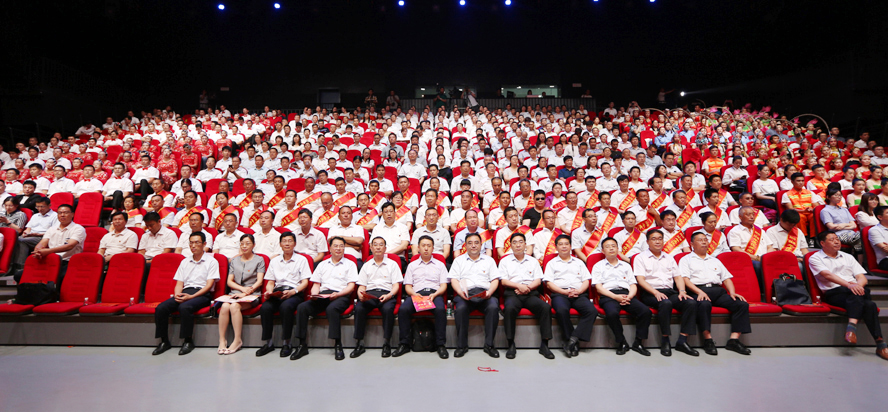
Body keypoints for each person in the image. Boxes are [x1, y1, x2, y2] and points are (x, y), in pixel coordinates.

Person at [809, 231, 888, 361]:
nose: (837, 241)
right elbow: (827, 275)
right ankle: (880, 344)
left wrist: (857, 286)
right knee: (868, 304)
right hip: (834, 292)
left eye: (837, 239)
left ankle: (854, 329)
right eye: (832, 239)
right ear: (822, 243)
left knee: (866, 301)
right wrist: (849, 285)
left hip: (853, 290)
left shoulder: (848, 257)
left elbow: (861, 277)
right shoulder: (815, 258)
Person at [680, 232, 752, 356]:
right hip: (697, 290)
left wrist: (732, 293)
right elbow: (685, 280)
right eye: (700, 240)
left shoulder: (715, 260)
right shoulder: (686, 260)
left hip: (717, 291)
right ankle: (708, 339)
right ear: (692, 244)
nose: (704, 242)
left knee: (741, 304)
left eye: (705, 239)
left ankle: (734, 340)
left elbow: (726, 279)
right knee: (704, 304)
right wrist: (700, 292)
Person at [152, 232, 219, 356]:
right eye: (191, 243)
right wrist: (177, 295)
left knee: (185, 307)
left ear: (204, 244)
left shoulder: (212, 261)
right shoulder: (184, 261)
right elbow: (179, 283)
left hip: (202, 294)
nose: (193, 245)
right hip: (185, 292)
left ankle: (187, 341)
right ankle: (164, 341)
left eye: (197, 242)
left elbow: (209, 285)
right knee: (161, 308)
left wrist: (192, 297)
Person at [634, 229, 699, 356]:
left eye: (660, 239)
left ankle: (682, 340)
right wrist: (655, 292)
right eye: (654, 239)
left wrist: (682, 291)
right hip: (650, 293)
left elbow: (678, 277)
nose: (657, 241)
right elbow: (640, 280)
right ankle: (665, 339)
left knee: (690, 303)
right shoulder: (640, 258)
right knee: (665, 303)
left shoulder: (669, 257)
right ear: (647, 242)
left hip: (669, 291)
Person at [292, 237, 357, 361]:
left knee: (332, 309)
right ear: (330, 248)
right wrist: (314, 295)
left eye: (341, 246)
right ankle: (302, 344)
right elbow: (316, 284)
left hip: (341, 295)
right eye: (335, 246)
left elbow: (351, 286)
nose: (338, 248)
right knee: (302, 307)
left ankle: (337, 344)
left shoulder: (350, 264)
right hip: (323, 295)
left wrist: (338, 294)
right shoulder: (322, 264)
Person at [592, 237, 653, 356]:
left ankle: (638, 342)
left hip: (626, 294)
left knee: (645, 311)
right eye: (607, 247)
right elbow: (599, 288)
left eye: (613, 246)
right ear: (603, 251)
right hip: (608, 295)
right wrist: (616, 297)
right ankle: (621, 342)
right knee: (612, 313)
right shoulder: (598, 266)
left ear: (618, 248)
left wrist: (629, 296)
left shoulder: (626, 266)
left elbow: (633, 285)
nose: (611, 248)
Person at [498, 232, 554, 359]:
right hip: (512, 293)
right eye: (514, 242)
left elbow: (538, 281)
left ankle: (545, 344)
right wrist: (519, 286)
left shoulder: (533, 261)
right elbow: (504, 281)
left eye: (520, 242)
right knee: (509, 309)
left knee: (545, 308)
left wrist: (526, 288)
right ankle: (510, 343)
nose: (518, 245)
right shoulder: (505, 261)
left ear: (525, 245)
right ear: (510, 245)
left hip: (530, 293)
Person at [392, 235, 450, 359]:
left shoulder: (440, 265)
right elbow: (408, 286)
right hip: (417, 294)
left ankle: (440, 344)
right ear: (418, 248)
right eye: (423, 245)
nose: (426, 248)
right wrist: (414, 294)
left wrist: (435, 294)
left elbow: (444, 286)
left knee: (440, 310)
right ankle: (404, 344)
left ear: (433, 248)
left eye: (429, 246)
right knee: (403, 309)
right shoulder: (412, 265)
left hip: (434, 295)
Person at [255, 233, 311, 358]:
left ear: (295, 243)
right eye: (284, 241)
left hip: (294, 293)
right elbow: (270, 282)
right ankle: (268, 343)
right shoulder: (274, 261)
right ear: (280, 244)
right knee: (265, 307)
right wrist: (269, 292)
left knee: (286, 307)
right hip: (278, 292)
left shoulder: (302, 260)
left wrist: (293, 291)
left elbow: (305, 282)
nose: (287, 244)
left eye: (290, 241)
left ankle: (287, 343)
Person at [448, 232, 501, 358]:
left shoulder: (489, 260)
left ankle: (489, 345)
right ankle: (462, 345)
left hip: (485, 294)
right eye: (470, 243)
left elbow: (495, 280)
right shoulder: (459, 260)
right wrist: (460, 292)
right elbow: (454, 280)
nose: (473, 246)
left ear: (481, 245)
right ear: (465, 245)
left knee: (493, 307)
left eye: (476, 243)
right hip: (465, 294)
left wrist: (489, 292)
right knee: (460, 309)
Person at [544, 234, 597, 358]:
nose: (564, 246)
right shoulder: (552, 263)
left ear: (570, 246)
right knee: (562, 310)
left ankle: (572, 340)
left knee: (592, 311)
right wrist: (564, 292)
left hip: (579, 294)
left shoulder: (579, 262)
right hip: (560, 294)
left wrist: (579, 291)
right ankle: (571, 341)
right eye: (561, 244)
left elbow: (586, 280)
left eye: (566, 244)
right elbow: (549, 283)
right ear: (556, 247)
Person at [351, 237, 402, 358]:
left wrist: (389, 295)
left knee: (388, 310)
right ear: (371, 248)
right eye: (375, 245)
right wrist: (361, 295)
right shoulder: (366, 265)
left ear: (385, 248)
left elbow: (396, 285)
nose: (378, 247)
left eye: (381, 245)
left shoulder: (392, 264)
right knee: (359, 308)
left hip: (387, 294)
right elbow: (361, 286)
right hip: (370, 295)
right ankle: (359, 343)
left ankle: (387, 343)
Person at [217, 234, 265, 355]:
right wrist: (242, 290)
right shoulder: (235, 260)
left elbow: (259, 281)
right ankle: (222, 340)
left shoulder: (259, 260)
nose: (244, 246)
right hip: (236, 292)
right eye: (242, 243)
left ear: (253, 245)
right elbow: (229, 281)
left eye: (247, 243)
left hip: (253, 294)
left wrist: (247, 292)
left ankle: (237, 340)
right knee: (224, 306)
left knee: (234, 306)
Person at [30, 204, 84, 285]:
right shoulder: (52, 229)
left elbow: (70, 246)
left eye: (65, 212)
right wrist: (38, 251)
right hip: (51, 260)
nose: (62, 215)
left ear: (72, 214)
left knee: (60, 276)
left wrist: (48, 251)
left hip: (68, 261)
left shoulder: (78, 228)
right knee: (20, 275)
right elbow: (42, 243)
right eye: (60, 213)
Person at [12, 197, 57, 277]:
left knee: (21, 241)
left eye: (42, 206)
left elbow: (54, 232)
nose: (39, 209)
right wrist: (26, 233)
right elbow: (29, 228)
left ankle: (20, 267)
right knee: (14, 240)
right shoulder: (35, 216)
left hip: (44, 238)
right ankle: (11, 265)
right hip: (31, 236)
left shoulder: (55, 216)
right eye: (37, 207)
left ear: (49, 205)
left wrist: (37, 234)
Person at [728, 206, 773, 279]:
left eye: (753, 214)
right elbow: (735, 249)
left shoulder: (760, 230)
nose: (752, 217)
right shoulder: (734, 231)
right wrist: (756, 258)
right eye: (748, 215)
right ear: (740, 217)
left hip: (764, 258)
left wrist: (766, 257)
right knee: (758, 265)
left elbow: (769, 247)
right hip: (749, 260)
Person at [820, 188, 862, 254]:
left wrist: (842, 225)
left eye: (840, 195)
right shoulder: (825, 211)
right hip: (838, 235)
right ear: (828, 197)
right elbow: (831, 226)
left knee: (865, 236)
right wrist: (848, 225)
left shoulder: (844, 210)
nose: (839, 197)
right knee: (861, 237)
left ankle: (860, 258)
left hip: (851, 233)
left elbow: (854, 225)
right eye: (836, 195)